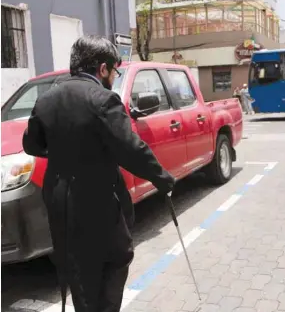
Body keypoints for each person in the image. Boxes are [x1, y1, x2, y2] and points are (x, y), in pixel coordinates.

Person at [22, 35, 175, 312]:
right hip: (96, 200)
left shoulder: (46, 99)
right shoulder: (103, 100)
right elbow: (131, 149)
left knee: (76, 269)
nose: (114, 77)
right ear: (102, 69)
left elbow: (31, 143)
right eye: (114, 71)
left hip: (59, 202)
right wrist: (163, 179)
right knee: (117, 257)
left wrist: (63, 150)